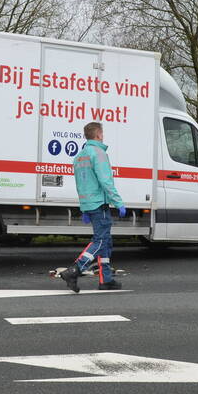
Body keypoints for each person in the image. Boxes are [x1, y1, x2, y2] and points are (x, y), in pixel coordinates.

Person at [61, 122, 126, 293]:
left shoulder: (80, 155)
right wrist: (118, 202)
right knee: (101, 240)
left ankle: (106, 280)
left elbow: (81, 184)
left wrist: (84, 209)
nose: (103, 135)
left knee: (105, 242)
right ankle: (75, 270)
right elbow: (105, 181)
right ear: (98, 134)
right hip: (99, 203)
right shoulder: (99, 153)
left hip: (89, 204)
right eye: (102, 133)